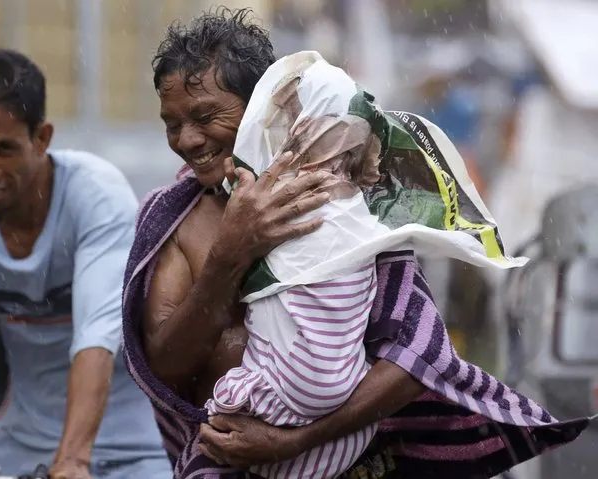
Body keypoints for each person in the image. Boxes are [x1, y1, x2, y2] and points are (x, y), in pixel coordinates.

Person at [121, 7, 591, 479]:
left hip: (353, 463)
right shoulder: (173, 221)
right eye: (171, 124)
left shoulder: (346, 206)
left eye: (205, 116)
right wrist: (231, 253)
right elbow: (164, 368)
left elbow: (417, 357)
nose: (187, 140)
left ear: (264, 104)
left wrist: (292, 442)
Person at [0, 49, 172, 478]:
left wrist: (73, 462)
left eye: (3, 149)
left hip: (132, 448)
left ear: (42, 138)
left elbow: (95, 333)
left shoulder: (95, 196)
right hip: (13, 450)